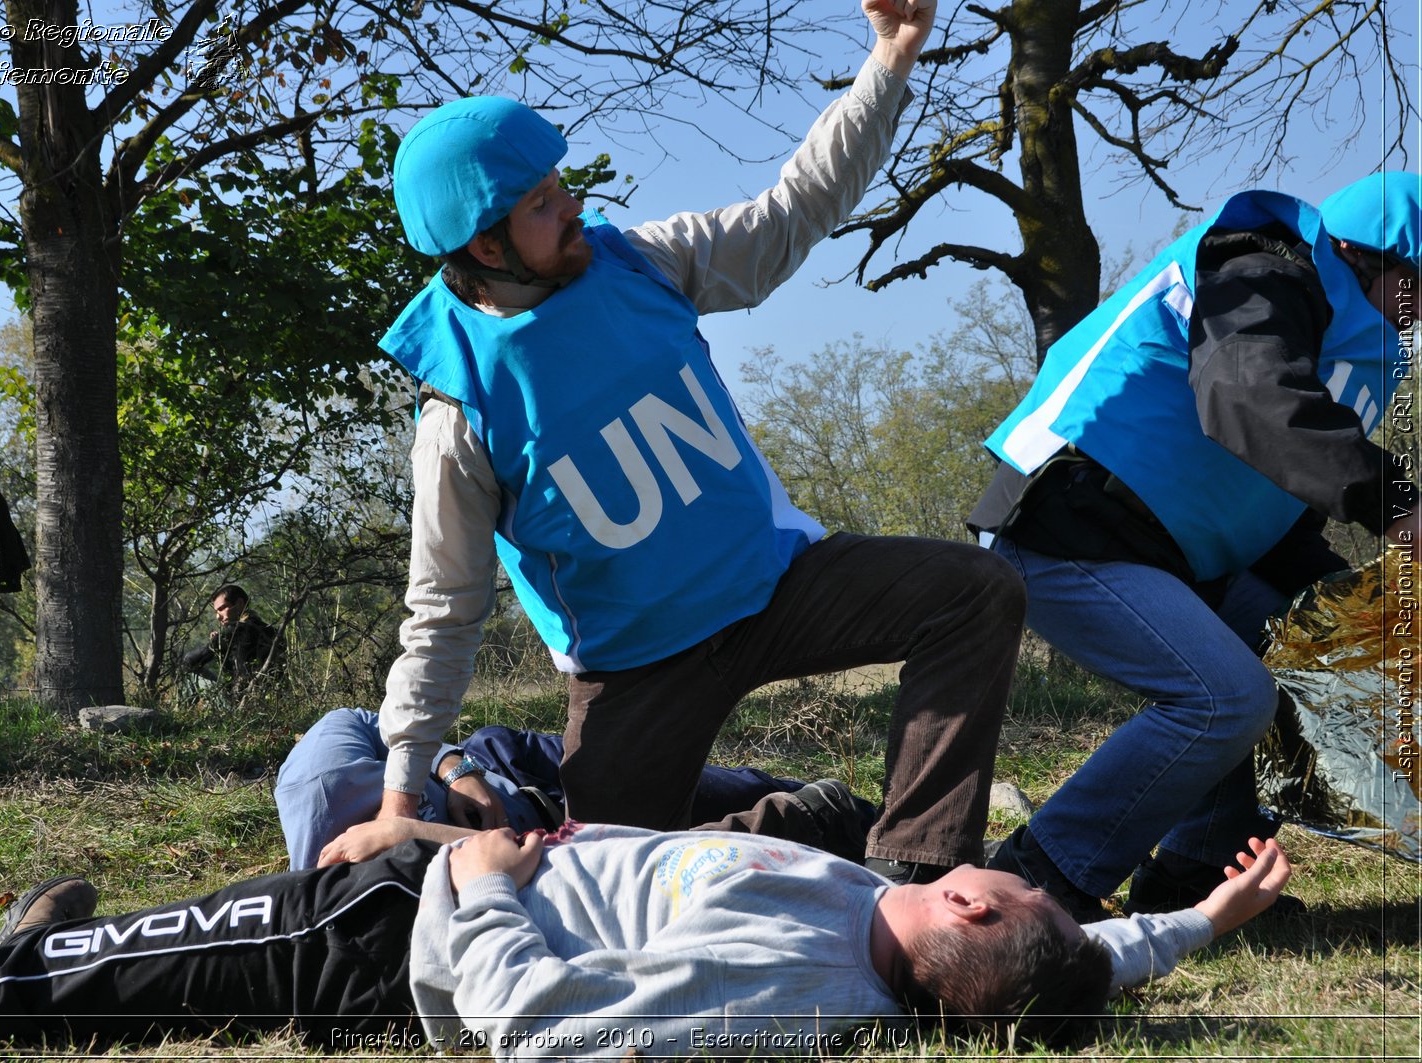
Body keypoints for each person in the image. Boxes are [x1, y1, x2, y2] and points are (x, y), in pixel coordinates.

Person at [373, 0, 1025, 888]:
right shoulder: (458, 408)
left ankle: (918, 877)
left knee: (974, 592)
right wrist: (401, 792)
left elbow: (792, 211)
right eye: (541, 203)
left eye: (560, 185)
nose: (572, 207)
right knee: (600, 885)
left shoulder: (642, 259)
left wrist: (890, 61)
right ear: (486, 245)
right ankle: (785, 829)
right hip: (637, 670)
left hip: (776, 586)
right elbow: (444, 607)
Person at [0, 819, 1294, 1058]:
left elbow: (534, 1026)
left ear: (974, 906)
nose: (1038, 878)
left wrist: (476, 872)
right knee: (89, 967)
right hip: (409, 894)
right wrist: (1202, 920)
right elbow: (1088, 962)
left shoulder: (786, 983)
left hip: (369, 941)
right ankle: (8, 957)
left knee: (58, 984)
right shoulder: (897, 925)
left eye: (1033, 887)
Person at [972, 172, 1420, 920]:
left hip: (1166, 548)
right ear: (1381, 261)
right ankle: (1040, 878)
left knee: (1319, 646)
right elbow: (1249, 399)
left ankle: (1193, 876)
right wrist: (1400, 507)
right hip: (1067, 524)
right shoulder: (1262, 273)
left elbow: (1271, 507)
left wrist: (1372, 622)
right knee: (1224, 697)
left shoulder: (1341, 327)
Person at [277, 706, 868, 871]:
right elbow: (510, 852)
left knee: (721, 788)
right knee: (697, 841)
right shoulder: (362, 888)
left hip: (513, 765)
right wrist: (411, 830)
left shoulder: (321, 777)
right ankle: (829, 823)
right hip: (559, 837)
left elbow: (374, 718)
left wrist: (455, 769)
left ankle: (861, 815)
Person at [181, 583, 282, 685]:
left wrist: (215, 643)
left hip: (244, 695)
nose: (218, 617)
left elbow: (189, 662)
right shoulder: (271, 630)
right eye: (216, 612)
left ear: (239, 604)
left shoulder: (235, 631)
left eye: (222, 609)